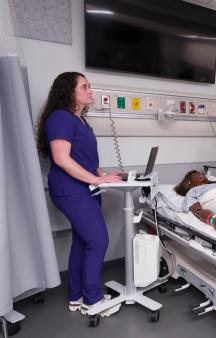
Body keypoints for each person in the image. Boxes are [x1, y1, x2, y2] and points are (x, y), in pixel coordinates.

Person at [36, 72, 122, 317]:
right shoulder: (60, 118)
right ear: (69, 91)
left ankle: (77, 296)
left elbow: (84, 160)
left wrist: (106, 174)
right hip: (70, 189)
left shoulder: (80, 120)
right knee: (98, 240)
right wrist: (96, 179)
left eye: (90, 86)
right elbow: (62, 159)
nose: (90, 91)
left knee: (83, 243)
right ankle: (92, 301)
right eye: (84, 86)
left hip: (85, 188)